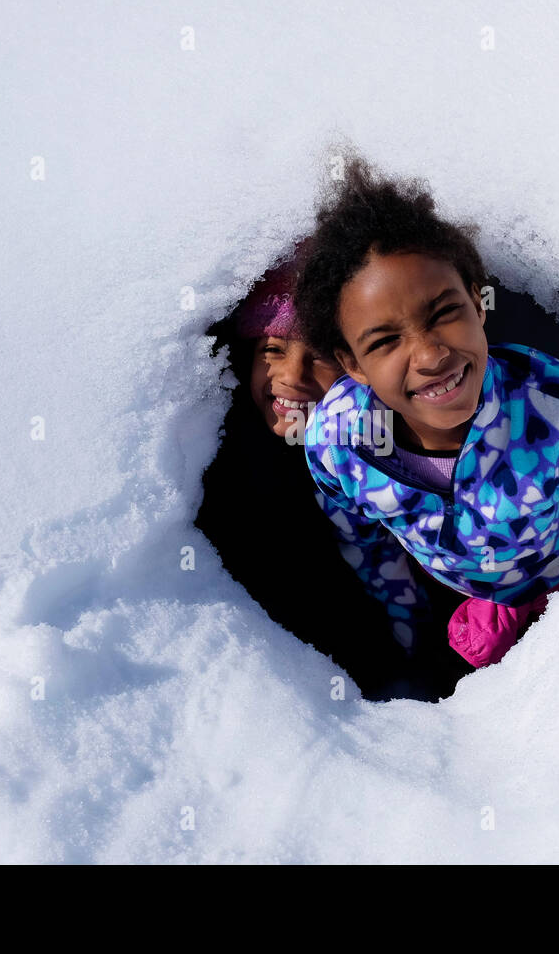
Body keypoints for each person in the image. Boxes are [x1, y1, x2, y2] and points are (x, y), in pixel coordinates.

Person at [294, 158, 559, 669]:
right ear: (352, 365)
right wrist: (403, 616)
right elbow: (358, 531)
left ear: (478, 305)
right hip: (453, 592)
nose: (431, 356)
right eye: (386, 341)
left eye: (444, 313)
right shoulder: (340, 440)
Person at [194, 258, 465, 700]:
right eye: (273, 349)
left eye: (317, 356)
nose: (290, 376)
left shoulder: (390, 449)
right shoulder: (232, 455)